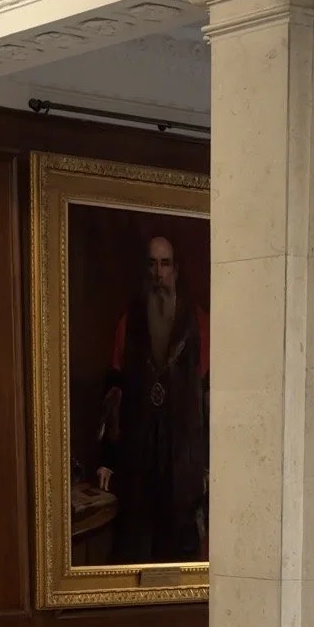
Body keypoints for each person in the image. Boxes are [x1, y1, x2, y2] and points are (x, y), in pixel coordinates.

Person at [96, 233, 209, 565]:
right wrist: (107, 457)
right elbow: (114, 394)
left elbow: (209, 397)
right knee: (136, 541)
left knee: (178, 543)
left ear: (175, 269)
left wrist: (209, 461)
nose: (158, 273)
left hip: (182, 455)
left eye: (165, 264)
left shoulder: (200, 326)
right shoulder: (128, 324)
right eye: (152, 264)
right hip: (139, 452)